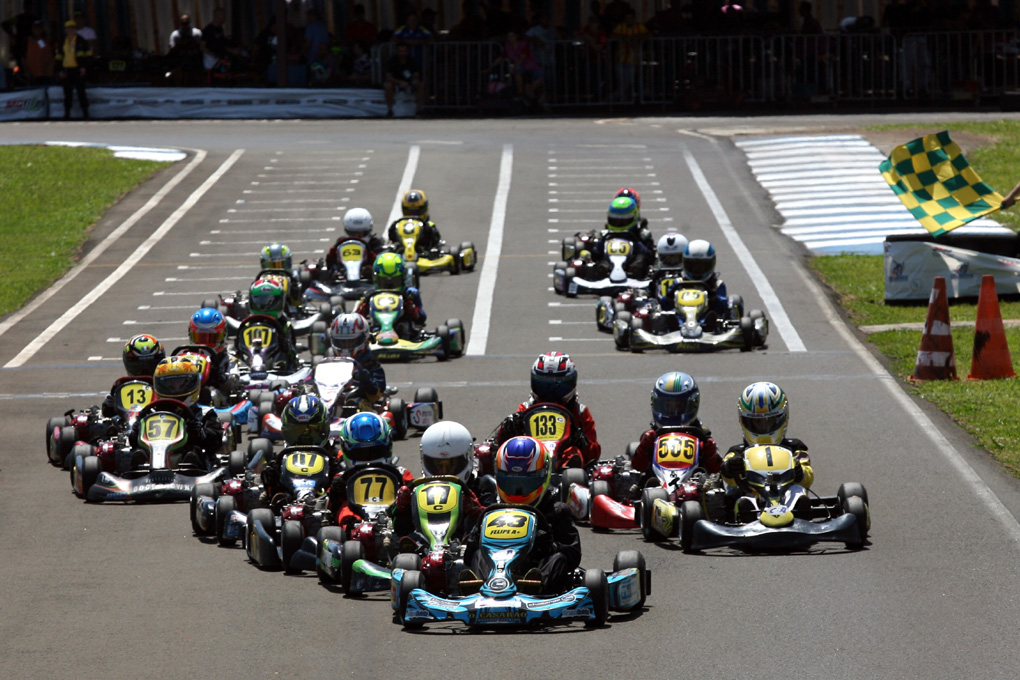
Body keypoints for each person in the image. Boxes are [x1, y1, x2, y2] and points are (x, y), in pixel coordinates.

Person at [462, 436, 582, 594]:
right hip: (495, 569)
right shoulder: (491, 512)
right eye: (511, 482)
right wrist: (474, 542)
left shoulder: (556, 511)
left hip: (535, 573)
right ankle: (482, 589)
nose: (518, 489)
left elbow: (573, 556)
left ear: (544, 474)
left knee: (558, 559)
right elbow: (468, 557)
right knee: (479, 554)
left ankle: (536, 590)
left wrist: (549, 546)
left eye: (526, 482)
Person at [492, 351, 601, 468]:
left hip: (563, 469)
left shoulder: (580, 412)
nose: (550, 394)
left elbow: (594, 455)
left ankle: (569, 476)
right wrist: (507, 429)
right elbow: (502, 446)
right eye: (544, 386)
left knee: (574, 453)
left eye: (558, 387)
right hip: (530, 460)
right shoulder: (525, 409)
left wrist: (581, 440)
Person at [327, 411, 415, 530]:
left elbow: (416, 495)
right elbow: (330, 507)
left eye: (376, 451)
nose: (369, 458)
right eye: (360, 453)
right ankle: (352, 526)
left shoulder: (401, 473)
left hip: (394, 519)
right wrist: (335, 494)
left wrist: (406, 495)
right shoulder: (342, 478)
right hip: (357, 523)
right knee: (344, 506)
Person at [628, 371, 722, 478]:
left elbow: (717, 470)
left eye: (679, 406)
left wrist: (710, 454)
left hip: (693, 485)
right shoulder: (650, 437)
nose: (673, 412)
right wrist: (643, 449)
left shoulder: (702, 436)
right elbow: (637, 468)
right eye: (667, 406)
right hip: (656, 485)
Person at [720, 381, 814, 488]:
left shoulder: (795, 447)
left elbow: (808, 476)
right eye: (757, 422)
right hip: (750, 497)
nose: (764, 427)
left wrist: (800, 473)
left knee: (797, 489)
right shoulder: (736, 452)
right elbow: (724, 475)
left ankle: (798, 503)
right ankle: (748, 503)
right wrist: (730, 468)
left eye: (769, 422)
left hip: (787, 498)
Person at [144, 355, 225, 468]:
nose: (176, 389)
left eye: (181, 384)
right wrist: (136, 431)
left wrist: (200, 433)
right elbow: (134, 441)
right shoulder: (151, 414)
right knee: (139, 452)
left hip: (190, 469)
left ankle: (190, 467)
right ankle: (137, 469)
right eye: (170, 385)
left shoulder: (204, 414)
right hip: (153, 457)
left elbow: (216, 442)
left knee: (195, 451)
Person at [354, 252, 427, 329]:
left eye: (394, 281)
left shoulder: (410, 293)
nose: (389, 287)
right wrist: (364, 305)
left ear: (403, 278)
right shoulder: (370, 295)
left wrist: (410, 306)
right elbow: (357, 318)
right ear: (376, 278)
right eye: (384, 282)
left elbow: (421, 318)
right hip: (377, 331)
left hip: (405, 331)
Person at [327, 313, 387, 406]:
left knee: (356, 404)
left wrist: (366, 380)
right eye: (342, 342)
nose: (346, 347)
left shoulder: (369, 361)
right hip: (331, 398)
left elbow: (376, 395)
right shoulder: (329, 360)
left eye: (351, 342)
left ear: (364, 339)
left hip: (361, 401)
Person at [101, 334, 166, 417]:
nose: (144, 371)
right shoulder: (121, 389)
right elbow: (107, 414)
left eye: (151, 365)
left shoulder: (166, 387)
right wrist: (109, 404)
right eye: (138, 365)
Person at [589, 196, 654, 278]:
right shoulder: (606, 235)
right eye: (615, 220)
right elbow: (595, 254)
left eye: (623, 220)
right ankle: (603, 271)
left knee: (641, 260)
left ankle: (634, 271)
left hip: (633, 269)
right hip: (608, 266)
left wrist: (638, 244)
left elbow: (650, 257)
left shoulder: (642, 234)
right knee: (601, 263)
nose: (619, 223)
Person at [327, 208, 387, 279]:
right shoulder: (339, 245)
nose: (357, 237)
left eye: (361, 234)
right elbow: (329, 263)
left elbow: (383, 264)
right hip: (341, 282)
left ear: (368, 230)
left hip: (371, 282)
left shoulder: (376, 245)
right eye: (353, 233)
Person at [186, 308, 236, 394]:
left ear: (223, 335)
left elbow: (233, 385)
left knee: (212, 393)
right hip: (188, 394)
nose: (205, 344)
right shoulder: (186, 358)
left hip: (217, 399)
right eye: (201, 338)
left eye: (211, 338)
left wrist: (222, 377)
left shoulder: (228, 359)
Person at [680, 239, 729, 319]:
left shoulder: (717, 285)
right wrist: (669, 296)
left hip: (707, 320)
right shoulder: (679, 283)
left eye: (701, 267)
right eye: (693, 266)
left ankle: (709, 322)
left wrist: (714, 298)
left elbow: (722, 309)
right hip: (682, 318)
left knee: (713, 317)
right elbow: (665, 305)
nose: (697, 270)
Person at [55, 19, 91, 120]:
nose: (70, 30)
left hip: (77, 70)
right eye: (68, 28)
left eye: (72, 28)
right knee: (67, 93)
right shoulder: (62, 41)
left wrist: (84, 67)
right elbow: (59, 57)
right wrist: (59, 70)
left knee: (81, 92)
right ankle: (67, 114)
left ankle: (85, 113)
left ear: (75, 29)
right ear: (65, 29)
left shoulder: (81, 41)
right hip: (67, 69)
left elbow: (88, 56)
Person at [611, 9, 648, 102]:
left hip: (632, 59)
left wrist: (637, 37)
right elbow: (612, 36)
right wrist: (624, 37)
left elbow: (649, 35)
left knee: (628, 80)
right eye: (627, 18)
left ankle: (613, 97)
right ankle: (623, 100)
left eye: (631, 18)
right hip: (620, 57)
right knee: (621, 81)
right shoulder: (621, 27)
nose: (629, 20)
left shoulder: (639, 26)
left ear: (634, 18)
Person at [383, 41, 425, 117]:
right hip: (396, 84)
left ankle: (419, 109)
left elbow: (416, 74)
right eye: (400, 51)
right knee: (388, 85)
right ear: (397, 51)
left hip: (409, 83)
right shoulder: (392, 61)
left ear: (407, 51)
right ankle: (390, 109)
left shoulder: (411, 60)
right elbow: (388, 77)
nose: (402, 53)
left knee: (421, 85)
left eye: (404, 51)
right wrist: (400, 82)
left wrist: (413, 81)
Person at [649, 232, 688, 310]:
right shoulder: (655, 275)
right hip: (658, 308)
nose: (672, 262)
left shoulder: (689, 275)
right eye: (667, 258)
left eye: (676, 258)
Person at [168, 13, 204, 86]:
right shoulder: (175, 34)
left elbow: (201, 47)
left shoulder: (196, 33)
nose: (185, 24)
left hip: (194, 59)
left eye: (186, 21)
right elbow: (172, 48)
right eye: (183, 21)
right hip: (180, 60)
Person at [23, 20, 55, 85]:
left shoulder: (48, 41)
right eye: (35, 28)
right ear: (32, 29)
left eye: (39, 28)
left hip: (47, 74)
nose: (38, 30)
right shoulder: (27, 41)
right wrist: (26, 71)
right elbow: (23, 58)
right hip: (33, 75)